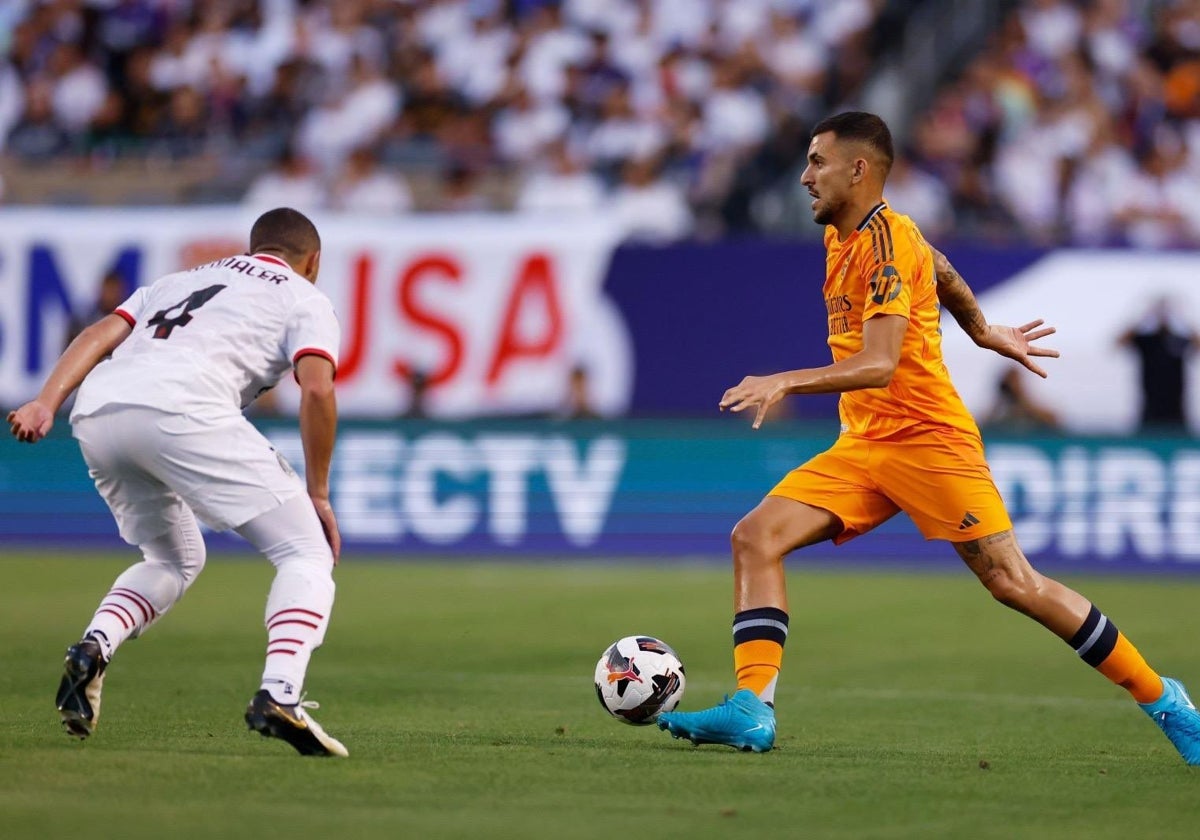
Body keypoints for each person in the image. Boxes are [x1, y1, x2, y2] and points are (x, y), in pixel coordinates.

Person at [656, 112, 1200, 765]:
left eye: (817, 163)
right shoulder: (851, 234)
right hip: (865, 441)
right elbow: (940, 267)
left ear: (859, 170)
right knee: (754, 537)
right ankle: (752, 708)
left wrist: (786, 380)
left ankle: (1166, 700)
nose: (804, 177)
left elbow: (881, 362)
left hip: (927, 439)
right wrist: (982, 329)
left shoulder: (886, 245)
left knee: (1012, 582)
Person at [7, 208, 348, 758]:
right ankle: (280, 692)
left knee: (173, 558)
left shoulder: (180, 280)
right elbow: (316, 390)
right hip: (184, 409)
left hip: (99, 411)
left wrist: (46, 402)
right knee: (306, 550)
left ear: (252, 246)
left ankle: (94, 647)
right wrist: (319, 494)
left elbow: (98, 333)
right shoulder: (305, 297)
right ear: (313, 261)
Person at [1118, 297, 1198, 433]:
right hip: (1150, 410)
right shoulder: (1147, 341)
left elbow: (1197, 343)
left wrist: (1181, 318)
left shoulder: (1178, 340)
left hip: (1176, 412)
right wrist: (1145, 316)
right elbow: (1120, 342)